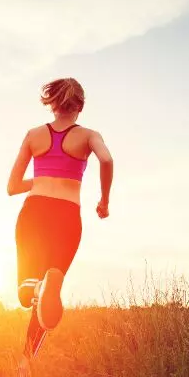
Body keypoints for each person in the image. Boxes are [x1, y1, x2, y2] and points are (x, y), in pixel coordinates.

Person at [6, 77, 114, 356]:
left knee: (28, 292)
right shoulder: (89, 135)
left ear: (51, 105)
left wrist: (43, 178)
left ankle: (34, 286)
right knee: (47, 298)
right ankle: (26, 363)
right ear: (80, 107)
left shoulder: (33, 135)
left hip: (34, 212)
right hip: (66, 216)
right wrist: (104, 200)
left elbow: (12, 187)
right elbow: (106, 160)